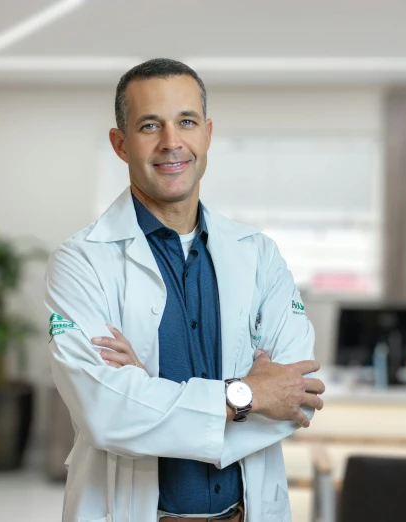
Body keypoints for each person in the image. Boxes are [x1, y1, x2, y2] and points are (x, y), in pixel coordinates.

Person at [45, 58, 325, 522]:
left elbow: (296, 398)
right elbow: (106, 413)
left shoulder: (258, 254)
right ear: (120, 144)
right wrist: (247, 396)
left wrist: (148, 391)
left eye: (187, 122)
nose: (171, 142)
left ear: (208, 134)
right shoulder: (81, 261)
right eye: (150, 125)